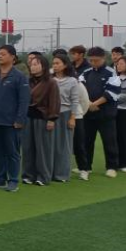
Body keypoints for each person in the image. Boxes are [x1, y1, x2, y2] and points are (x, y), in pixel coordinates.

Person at [0, 45, 30, 192]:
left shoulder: (19, 77)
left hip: (11, 122)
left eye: (3, 54)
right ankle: (0, 178)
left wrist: (20, 119)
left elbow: (24, 100)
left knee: (12, 152)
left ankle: (13, 180)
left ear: (12, 57)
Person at [78, 46, 121, 179]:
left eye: (96, 60)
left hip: (106, 114)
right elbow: (80, 89)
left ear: (103, 58)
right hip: (88, 113)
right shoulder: (86, 73)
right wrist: (88, 104)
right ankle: (86, 166)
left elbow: (112, 92)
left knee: (109, 141)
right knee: (87, 141)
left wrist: (95, 104)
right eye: (90, 60)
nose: (93, 63)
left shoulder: (111, 73)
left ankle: (111, 167)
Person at [22, 55, 60, 186]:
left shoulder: (51, 82)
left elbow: (54, 101)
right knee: (28, 148)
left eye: (36, 64)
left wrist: (52, 119)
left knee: (43, 148)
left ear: (43, 66)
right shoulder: (27, 81)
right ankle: (28, 175)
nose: (33, 67)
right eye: (31, 64)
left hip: (42, 117)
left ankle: (43, 176)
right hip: (28, 117)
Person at [51, 53, 80, 183]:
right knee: (51, 145)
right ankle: (50, 172)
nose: (55, 66)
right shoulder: (50, 79)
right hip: (51, 115)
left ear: (65, 65)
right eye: (53, 63)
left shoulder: (72, 81)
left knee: (64, 146)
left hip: (66, 114)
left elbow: (75, 100)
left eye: (57, 63)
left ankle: (62, 174)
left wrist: (72, 118)